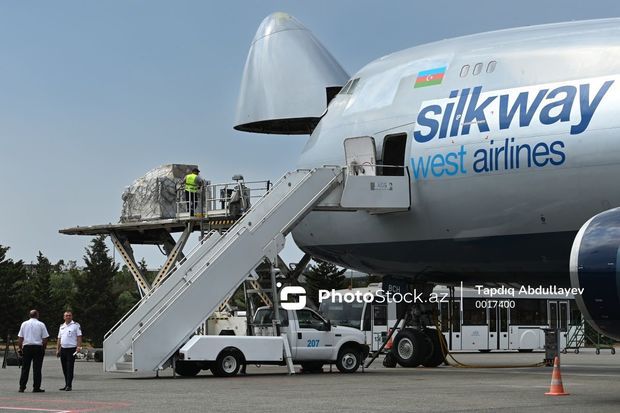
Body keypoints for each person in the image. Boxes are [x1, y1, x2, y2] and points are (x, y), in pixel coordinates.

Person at [17, 309, 49, 393]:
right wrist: (44, 348)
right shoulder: (41, 324)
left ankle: (22, 387)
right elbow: (45, 338)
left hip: (27, 347)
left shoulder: (24, 324)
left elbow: (20, 338)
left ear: (29, 315)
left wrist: (20, 348)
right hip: (38, 347)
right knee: (37, 368)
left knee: (25, 368)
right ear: (37, 315)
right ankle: (36, 387)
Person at [56, 311, 82, 391]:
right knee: (64, 368)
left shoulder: (76, 325)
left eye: (69, 315)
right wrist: (58, 349)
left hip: (71, 349)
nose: (68, 317)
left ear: (72, 316)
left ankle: (69, 385)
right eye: (66, 316)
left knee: (69, 367)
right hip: (63, 349)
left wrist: (78, 346)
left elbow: (79, 336)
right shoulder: (62, 326)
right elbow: (59, 339)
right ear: (64, 317)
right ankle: (66, 384)